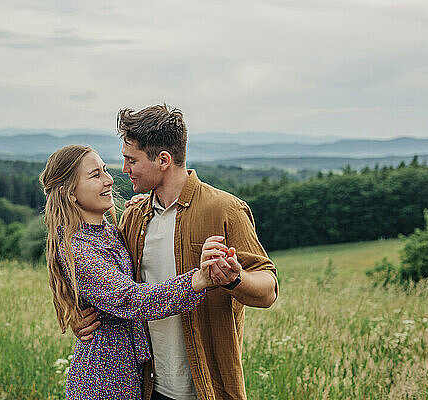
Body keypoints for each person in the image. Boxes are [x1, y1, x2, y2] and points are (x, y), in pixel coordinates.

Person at [74, 105, 279, 400]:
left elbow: (269, 291)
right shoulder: (133, 217)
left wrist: (234, 279)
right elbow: (112, 286)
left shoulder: (225, 209)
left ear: (163, 160)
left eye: (131, 160)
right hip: (146, 388)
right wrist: (79, 315)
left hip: (209, 388)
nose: (124, 169)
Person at [39, 144, 238, 400]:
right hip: (103, 385)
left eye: (104, 171)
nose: (109, 180)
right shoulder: (77, 248)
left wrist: (146, 206)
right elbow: (130, 299)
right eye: (95, 175)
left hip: (130, 379)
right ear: (70, 194)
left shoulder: (106, 232)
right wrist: (197, 280)